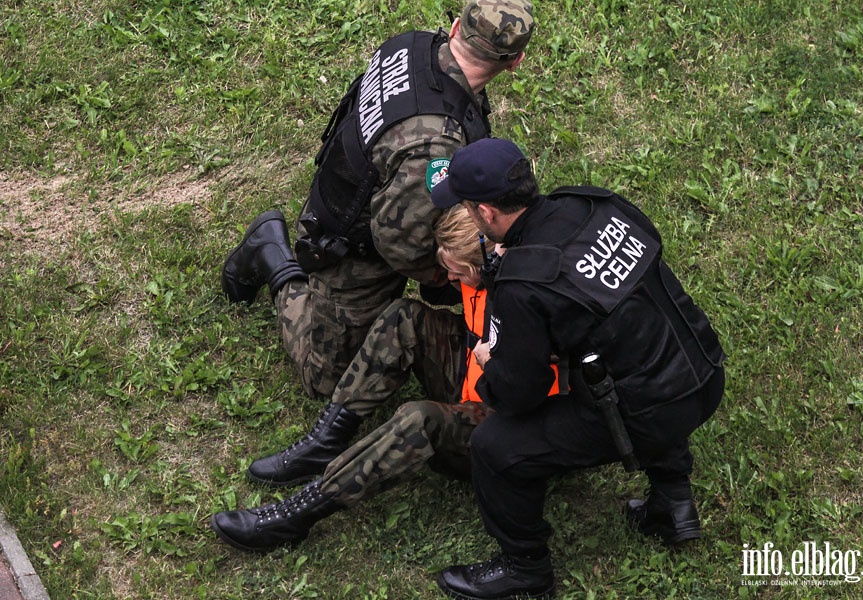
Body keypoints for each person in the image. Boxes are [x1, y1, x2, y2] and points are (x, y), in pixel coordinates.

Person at [220, 0, 535, 488]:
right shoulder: (433, 145)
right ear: (514, 62)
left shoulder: (415, 47)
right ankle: (273, 256)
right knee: (324, 377)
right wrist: (446, 276)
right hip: (354, 249)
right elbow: (396, 239)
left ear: (455, 27)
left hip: (351, 196)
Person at [428, 138, 726, 600]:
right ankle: (673, 502)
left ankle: (524, 569)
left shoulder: (523, 281)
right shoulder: (591, 201)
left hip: (652, 410)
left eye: (466, 208)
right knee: (628, 355)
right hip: (701, 367)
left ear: (486, 214)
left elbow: (518, 395)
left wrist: (490, 365)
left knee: (494, 446)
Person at [210, 206, 560, 552]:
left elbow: (526, 398)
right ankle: (327, 438)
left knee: (419, 419)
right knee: (403, 317)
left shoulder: (523, 304)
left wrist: (493, 364)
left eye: (457, 274)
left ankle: (297, 513)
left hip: (505, 426)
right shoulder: (485, 266)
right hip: (474, 372)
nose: (451, 281)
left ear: (484, 267)